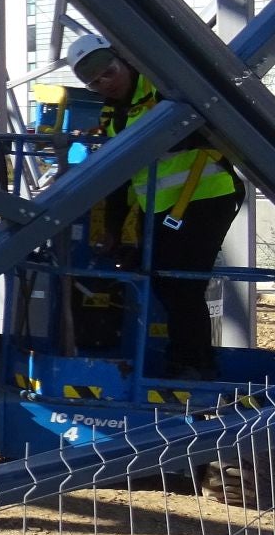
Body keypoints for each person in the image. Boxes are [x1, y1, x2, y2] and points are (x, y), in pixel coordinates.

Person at [67, 32, 244, 379]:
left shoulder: (164, 88)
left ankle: (193, 365)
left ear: (122, 61)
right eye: (95, 81)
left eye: (109, 72)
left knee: (182, 281)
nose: (105, 83)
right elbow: (119, 179)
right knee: (165, 279)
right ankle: (189, 360)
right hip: (167, 208)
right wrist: (113, 232)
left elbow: (204, 125)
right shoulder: (113, 116)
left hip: (207, 195)